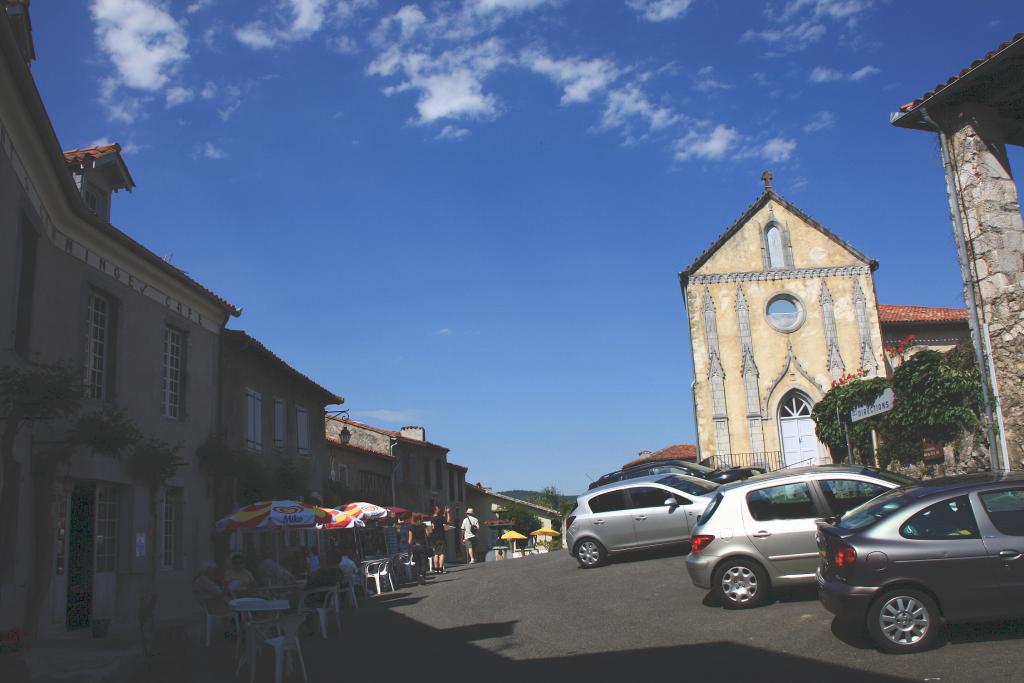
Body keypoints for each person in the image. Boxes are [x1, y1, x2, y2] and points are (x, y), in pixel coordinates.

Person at [407, 514, 428, 585]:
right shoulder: (423, 525)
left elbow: (409, 540)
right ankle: (422, 575)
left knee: (417, 563)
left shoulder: (411, 527)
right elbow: (427, 534)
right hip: (422, 546)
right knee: (424, 562)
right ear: (420, 518)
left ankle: (419, 578)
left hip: (414, 547)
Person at [430, 505, 451, 574]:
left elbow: (432, 527)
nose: (440, 510)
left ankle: (436, 569)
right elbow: (448, 521)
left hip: (434, 538)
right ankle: (441, 568)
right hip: (441, 537)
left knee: (436, 553)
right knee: (441, 553)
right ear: (436, 510)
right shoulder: (441, 518)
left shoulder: (432, 519)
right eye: (438, 509)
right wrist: (448, 513)